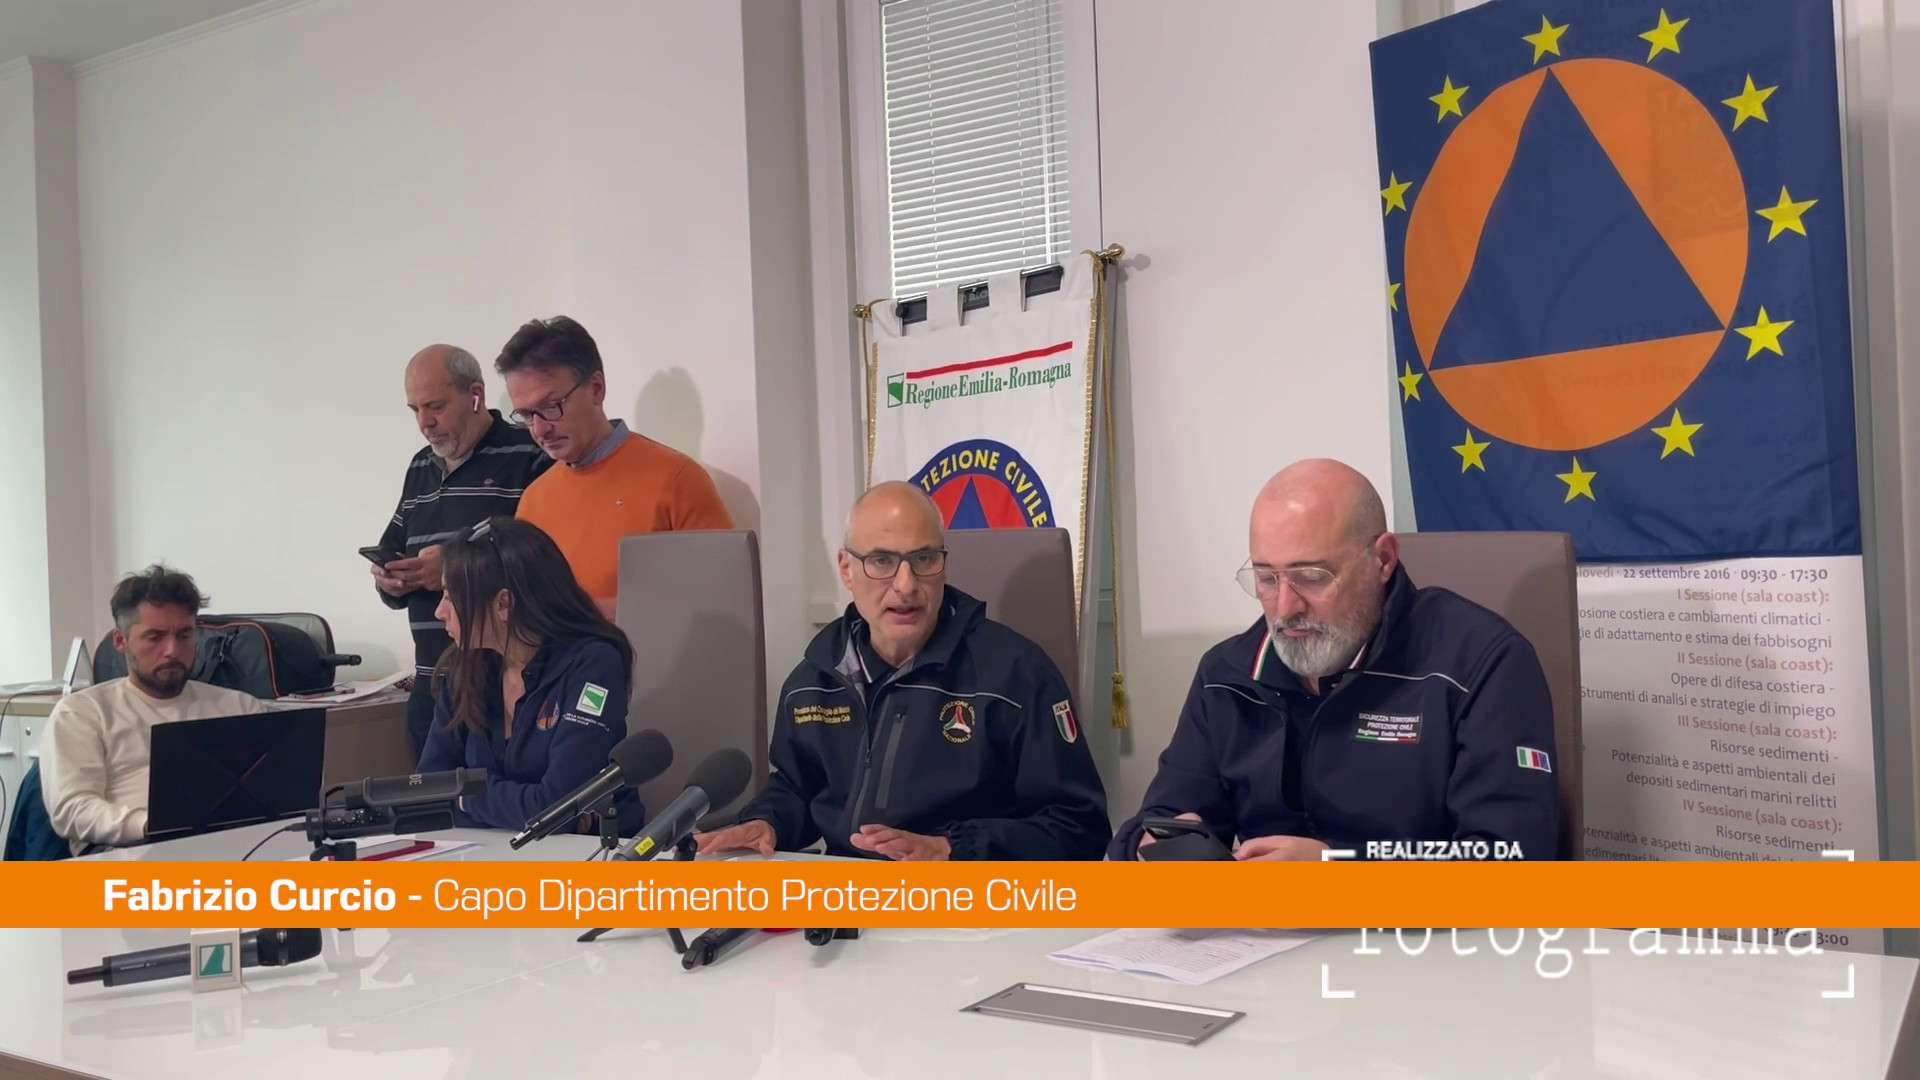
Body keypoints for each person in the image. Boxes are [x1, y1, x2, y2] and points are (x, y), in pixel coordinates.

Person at [1111, 458, 1559, 862]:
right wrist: (1148, 848)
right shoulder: (1226, 676)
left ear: (1383, 559)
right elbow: (1162, 818)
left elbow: (1513, 856)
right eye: (1266, 578)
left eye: (1311, 576)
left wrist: (1339, 869)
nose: (1284, 607)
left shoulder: (1481, 662)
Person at [697, 482, 1109, 862]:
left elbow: (1079, 828)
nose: (907, 585)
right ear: (846, 568)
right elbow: (797, 789)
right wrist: (766, 821)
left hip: (970, 901)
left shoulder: (1016, 675)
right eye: (882, 561)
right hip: (850, 899)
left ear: (944, 565)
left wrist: (952, 849)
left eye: (924, 559)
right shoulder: (814, 680)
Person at [373, 344, 551, 756]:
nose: (424, 423)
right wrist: (389, 579)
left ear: (476, 395)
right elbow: (391, 546)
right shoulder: (420, 466)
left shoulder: (529, 454)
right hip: (430, 686)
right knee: (430, 797)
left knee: (497, 794)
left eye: (435, 406)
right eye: (415, 410)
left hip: (500, 686)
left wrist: (455, 566)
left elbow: (541, 561)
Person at [417, 517, 644, 835]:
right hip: (486, 849)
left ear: (503, 604)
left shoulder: (593, 664)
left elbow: (557, 808)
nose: (439, 612)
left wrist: (464, 796)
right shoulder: (465, 667)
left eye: (451, 598)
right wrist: (518, 807)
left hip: (589, 856)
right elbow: (428, 792)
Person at [500, 316, 733, 615]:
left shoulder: (677, 480)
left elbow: (722, 601)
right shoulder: (533, 500)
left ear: (596, 389)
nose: (539, 429)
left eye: (550, 407)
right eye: (526, 415)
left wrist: (582, 615)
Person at [39, 566, 265, 855]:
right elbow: (72, 809)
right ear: (121, 641)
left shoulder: (241, 707)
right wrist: (152, 825)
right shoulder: (82, 713)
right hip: (126, 850)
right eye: (155, 637)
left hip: (234, 845)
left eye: (184, 636)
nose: (172, 650)